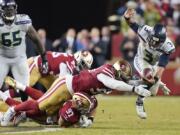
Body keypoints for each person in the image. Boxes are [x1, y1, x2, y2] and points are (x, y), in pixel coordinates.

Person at [1, 58, 151, 126]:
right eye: (123, 76)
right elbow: (114, 84)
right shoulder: (107, 71)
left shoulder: (113, 76)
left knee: (46, 112)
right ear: (118, 71)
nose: (124, 79)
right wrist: (133, 89)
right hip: (66, 86)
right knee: (40, 105)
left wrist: (144, 83)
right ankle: (14, 109)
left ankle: (21, 111)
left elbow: (121, 83)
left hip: (73, 91)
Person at [123, 8, 175, 119]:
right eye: (152, 40)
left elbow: (161, 67)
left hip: (154, 64)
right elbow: (133, 25)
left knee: (153, 92)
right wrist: (127, 18)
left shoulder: (168, 46)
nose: (153, 43)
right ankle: (139, 103)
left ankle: (135, 81)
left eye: (157, 42)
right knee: (149, 76)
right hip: (141, 60)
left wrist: (158, 82)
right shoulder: (145, 31)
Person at [0, 0, 48, 100]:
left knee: (24, 88)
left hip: (19, 58)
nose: (10, 11)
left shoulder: (23, 21)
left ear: (15, 8)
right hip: (2, 58)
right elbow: (37, 40)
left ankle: (23, 112)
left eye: (12, 8)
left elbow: (37, 40)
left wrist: (44, 59)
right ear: (1, 10)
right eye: (7, 9)